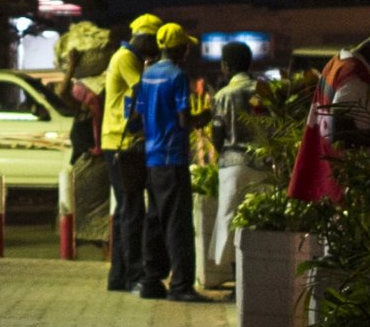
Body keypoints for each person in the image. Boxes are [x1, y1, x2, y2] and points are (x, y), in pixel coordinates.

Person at [289, 12, 370, 203]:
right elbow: (340, 134)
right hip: (346, 193)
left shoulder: (338, 63)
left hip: (328, 186)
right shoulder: (355, 78)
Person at [134, 24, 205, 301]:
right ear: (177, 49)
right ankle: (181, 286)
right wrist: (205, 118)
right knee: (178, 223)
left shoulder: (147, 75)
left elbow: (138, 118)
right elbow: (184, 119)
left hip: (151, 158)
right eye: (185, 46)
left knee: (154, 219)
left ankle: (151, 281)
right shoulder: (177, 76)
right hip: (172, 157)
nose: (187, 51)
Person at [100, 15, 161, 291]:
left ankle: (119, 276)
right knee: (132, 210)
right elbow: (145, 89)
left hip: (121, 143)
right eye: (156, 42)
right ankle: (133, 275)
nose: (158, 48)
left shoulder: (131, 58)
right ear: (146, 38)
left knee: (129, 210)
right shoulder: (126, 58)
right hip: (120, 144)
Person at [209, 41, 270, 266]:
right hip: (263, 165)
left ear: (226, 65)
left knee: (229, 218)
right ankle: (255, 271)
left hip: (233, 165)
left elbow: (217, 134)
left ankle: (234, 274)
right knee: (259, 220)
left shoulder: (224, 95)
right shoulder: (265, 91)